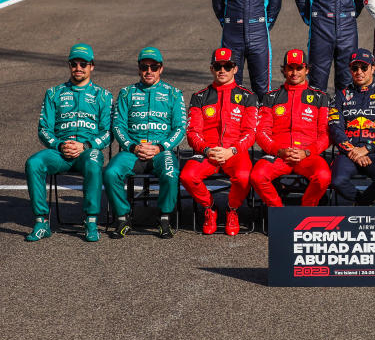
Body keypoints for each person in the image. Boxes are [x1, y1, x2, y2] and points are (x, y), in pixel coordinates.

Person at [25, 44, 112, 242]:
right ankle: (41, 222)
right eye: (74, 63)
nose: (78, 67)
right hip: (59, 151)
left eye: (83, 64)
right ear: (69, 65)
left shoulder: (103, 96)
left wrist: (86, 146)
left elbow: (107, 133)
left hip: (87, 150)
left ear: (92, 66)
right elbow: (43, 129)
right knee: (34, 163)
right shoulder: (53, 93)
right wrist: (58, 145)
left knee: (93, 160)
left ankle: (91, 222)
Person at [104, 47, 185, 240]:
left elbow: (180, 128)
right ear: (139, 69)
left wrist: (160, 147)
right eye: (144, 67)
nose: (149, 71)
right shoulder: (126, 93)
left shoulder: (174, 94)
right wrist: (132, 146)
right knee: (109, 172)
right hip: (132, 151)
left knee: (171, 172)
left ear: (161, 69)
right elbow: (118, 126)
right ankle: (123, 217)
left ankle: (164, 218)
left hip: (161, 150)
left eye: (154, 67)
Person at [180, 48, 258, 236]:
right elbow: (192, 132)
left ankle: (232, 210)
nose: (222, 70)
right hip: (208, 151)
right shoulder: (199, 97)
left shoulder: (248, 97)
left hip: (235, 151)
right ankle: (210, 208)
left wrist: (232, 150)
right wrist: (207, 150)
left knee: (244, 177)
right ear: (211, 69)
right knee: (187, 176)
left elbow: (250, 132)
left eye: (227, 66)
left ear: (235, 69)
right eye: (218, 66)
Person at [251, 49, 332, 208]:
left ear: (307, 70)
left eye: (299, 68)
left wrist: (307, 151)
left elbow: (326, 134)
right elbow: (261, 132)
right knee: (257, 176)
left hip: (308, 155)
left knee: (323, 176)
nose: (294, 73)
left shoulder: (320, 97)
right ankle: (278, 212)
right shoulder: (271, 97)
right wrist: (278, 150)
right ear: (284, 70)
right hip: (279, 155)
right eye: (290, 68)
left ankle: (306, 210)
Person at [329, 49, 375, 205]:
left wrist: (366, 149)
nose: (359, 72)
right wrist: (353, 151)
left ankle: (361, 205)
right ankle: (363, 203)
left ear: (373, 68)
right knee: (337, 181)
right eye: (355, 68)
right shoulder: (340, 96)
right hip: (348, 153)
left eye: (364, 67)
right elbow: (335, 129)